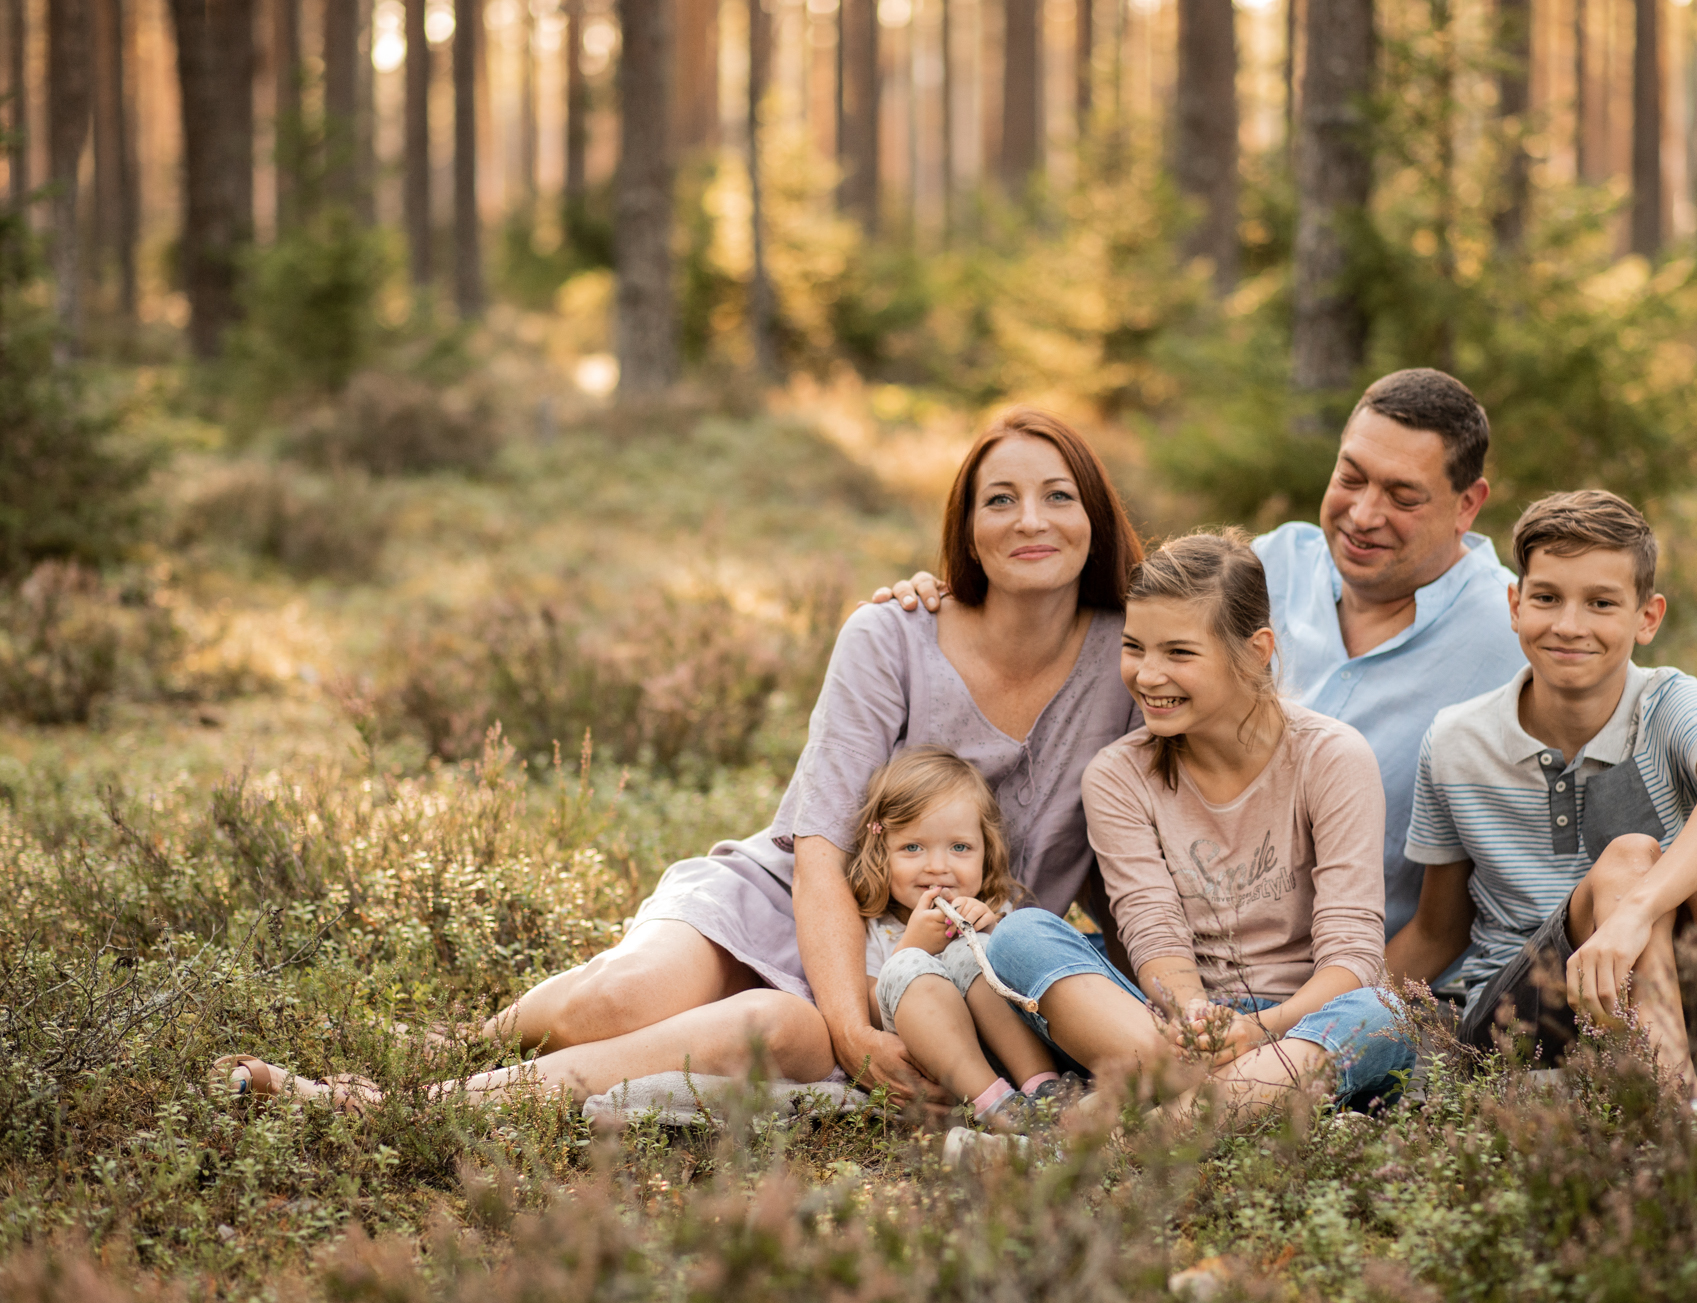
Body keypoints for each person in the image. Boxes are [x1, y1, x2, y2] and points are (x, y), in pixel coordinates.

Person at [219, 407, 1145, 1113]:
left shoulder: (1133, 661)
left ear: (1096, 516)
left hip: (925, 973)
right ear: (965, 526)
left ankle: (415, 1108)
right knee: (616, 999)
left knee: (769, 1029)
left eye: (1059, 495)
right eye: (1001, 498)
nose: (1033, 520)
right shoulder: (893, 634)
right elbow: (819, 844)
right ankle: (443, 1044)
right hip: (794, 904)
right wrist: (847, 1028)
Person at [876, 370, 1526, 948]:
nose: (1362, 513)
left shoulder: (1510, 634)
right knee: (1028, 941)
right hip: (1177, 953)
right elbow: (1139, 602)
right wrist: (957, 593)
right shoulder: (1271, 565)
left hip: (1354, 969)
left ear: (1467, 504)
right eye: (1349, 476)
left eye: (1403, 496)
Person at [1383, 491, 1697, 1127]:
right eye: (1547, 598)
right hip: (1521, 1013)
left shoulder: (1669, 704)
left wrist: (1632, 913)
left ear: (1646, 617)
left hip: (1662, 989)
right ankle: (1683, 1114)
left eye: (1601, 603)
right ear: (1516, 605)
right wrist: (1317, 1021)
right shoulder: (1456, 741)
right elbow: (1440, 928)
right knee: (1630, 855)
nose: (1569, 625)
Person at [983, 531, 1410, 1118]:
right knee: (1017, 936)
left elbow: (1351, 956)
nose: (1149, 675)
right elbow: (1153, 934)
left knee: (1378, 1016)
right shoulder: (1119, 776)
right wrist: (1197, 1020)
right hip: (1170, 1025)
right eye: (1135, 647)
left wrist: (1258, 1031)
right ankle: (1241, 1101)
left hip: (1304, 1022)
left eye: (1179, 653)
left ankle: (1138, 1128)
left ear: (1256, 650)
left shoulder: (1331, 757)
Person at [854, 747, 1067, 1130]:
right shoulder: (873, 922)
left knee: (981, 950)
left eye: (960, 847)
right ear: (879, 852)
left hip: (1002, 1048)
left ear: (987, 851)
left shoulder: (994, 907)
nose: (938, 867)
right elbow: (868, 1009)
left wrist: (994, 932)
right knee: (906, 965)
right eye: (912, 847)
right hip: (935, 1058)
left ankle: (1044, 1090)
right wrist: (912, 947)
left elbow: (1028, 987)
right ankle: (999, 1110)